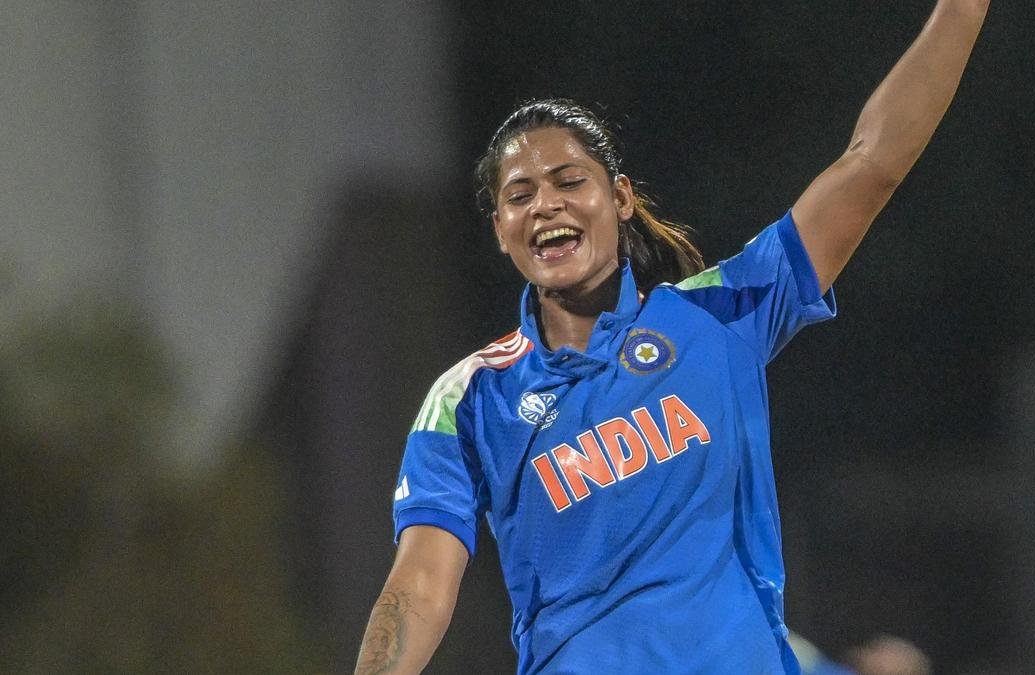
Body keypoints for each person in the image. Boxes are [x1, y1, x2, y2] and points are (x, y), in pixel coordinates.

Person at [355, 2, 990, 673]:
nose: (545, 204)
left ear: (621, 198)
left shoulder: (718, 315)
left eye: (569, 181)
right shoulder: (471, 398)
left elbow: (871, 163)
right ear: (500, 231)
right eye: (520, 195)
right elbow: (419, 585)